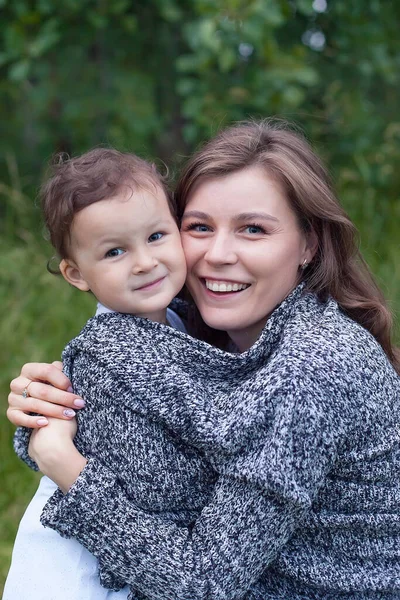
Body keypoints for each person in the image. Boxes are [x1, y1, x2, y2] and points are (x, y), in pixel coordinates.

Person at [7, 120, 400, 600]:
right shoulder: (201, 330)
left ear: (308, 244)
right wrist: (48, 405)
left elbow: (201, 585)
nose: (217, 254)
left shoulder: (312, 368)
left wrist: (63, 463)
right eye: (199, 227)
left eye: (253, 229)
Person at [4, 147, 190, 600]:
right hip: (71, 571)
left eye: (157, 236)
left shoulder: (177, 319)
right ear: (75, 274)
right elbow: (152, 482)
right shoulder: (108, 355)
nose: (144, 262)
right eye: (114, 251)